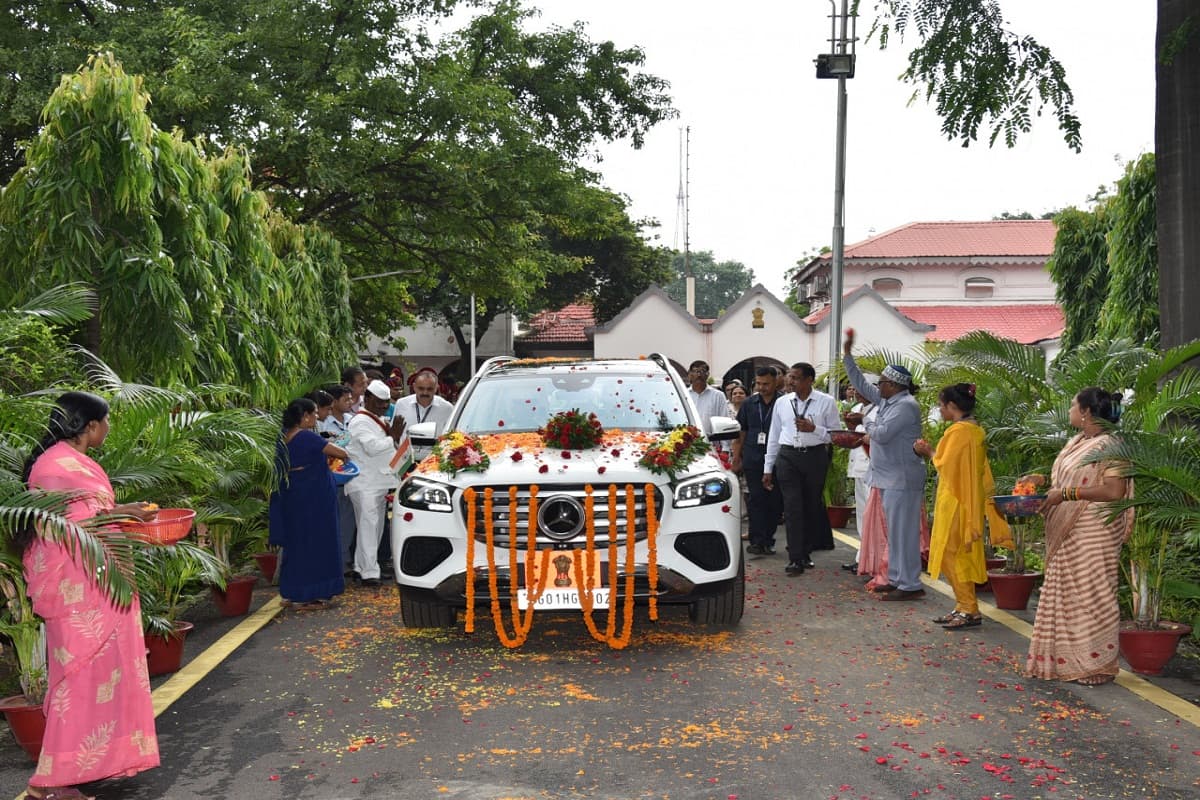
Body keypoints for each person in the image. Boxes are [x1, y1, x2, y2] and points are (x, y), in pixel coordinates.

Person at [19, 392, 160, 800]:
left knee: (103, 679)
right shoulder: (55, 467)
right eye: (107, 420)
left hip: (100, 584)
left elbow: (91, 518)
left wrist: (124, 513)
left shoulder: (68, 460)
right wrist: (127, 511)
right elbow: (75, 527)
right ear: (90, 426)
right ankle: (47, 783)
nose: (110, 427)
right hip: (77, 592)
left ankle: (87, 768)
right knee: (77, 686)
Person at [1023, 387, 1132, 686]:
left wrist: (1066, 494)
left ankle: (1095, 665)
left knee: (1090, 595)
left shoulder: (1112, 444)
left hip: (1094, 530)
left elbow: (1114, 491)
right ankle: (1067, 663)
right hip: (1070, 529)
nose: (1069, 408)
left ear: (1085, 412)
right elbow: (1066, 478)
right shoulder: (1077, 442)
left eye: (1072, 404)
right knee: (1069, 597)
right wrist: (1040, 480)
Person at [913, 383, 1011, 628]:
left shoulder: (958, 432)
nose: (940, 409)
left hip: (956, 501)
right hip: (969, 499)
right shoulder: (976, 430)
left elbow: (946, 464)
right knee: (960, 554)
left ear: (952, 406)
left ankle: (968, 608)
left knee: (952, 553)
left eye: (941, 405)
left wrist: (927, 450)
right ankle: (963, 606)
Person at [843, 331, 927, 600]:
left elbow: (880, 434)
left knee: (903, 533)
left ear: (894, 385)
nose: (877, 387)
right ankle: (897, 578)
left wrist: (863, 419)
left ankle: (910, 583)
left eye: (882, 383)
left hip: (902, 479)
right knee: (896, 533)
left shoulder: (906, 406)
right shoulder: (889, 401)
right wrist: (847, 355)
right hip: (889, 478)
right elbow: (861, 385)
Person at [269, 397, 348, 608]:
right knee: (316, 543)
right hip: (313, 498)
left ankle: (291, 592)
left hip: (292, 496)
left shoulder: (282, 436)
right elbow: (340, 453)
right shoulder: (307, 437)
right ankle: (309, 595)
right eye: (313, 413)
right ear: (304, 417)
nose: (315, 417)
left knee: (296, 544)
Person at [763, 362, 840, 575]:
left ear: (809, 380)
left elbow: (835, 435)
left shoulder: (826, 402)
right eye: (789, 376)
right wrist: (768, 468)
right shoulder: (782, 402)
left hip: (814, 457)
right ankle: (795, 557)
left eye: (795, 377)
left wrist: (814, 429)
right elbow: (774, 436)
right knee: (792, 507)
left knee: (810, 506)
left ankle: (805, 552)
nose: (789, 381)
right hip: (788, 456)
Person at [344, 379, 406, 586]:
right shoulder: (361, 421)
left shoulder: (375, 419)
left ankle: (364, 568)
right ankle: (369, 572)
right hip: (365, 484)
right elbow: (372, 447)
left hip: (377, 482)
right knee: (369, 528)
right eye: (379, 402)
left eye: (386, 403)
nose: (383, 407)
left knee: (374, 528)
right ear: (367, 398)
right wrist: (392, 437)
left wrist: (393, 438)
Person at [733, 368, 784, 555]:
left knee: (774, 501)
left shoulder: (784, 403)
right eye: (758, 384)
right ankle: (756, 540)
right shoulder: (749, 404)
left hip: (778, 459)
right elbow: (741, 433)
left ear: (776, 382)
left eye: (766, 384)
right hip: (753, 459)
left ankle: (767, 539)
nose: (762, 388)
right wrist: (736, 458)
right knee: (756, 499)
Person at [841, 384, 876, 572]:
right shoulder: (856, 409)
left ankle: (873, 561)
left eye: (860, 389)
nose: (856, 393)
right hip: (858, 466)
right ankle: (861, 557)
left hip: (872, 467)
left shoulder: (880, 409)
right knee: (862, 516)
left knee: (873, 516)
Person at [393, 369, 455, 463]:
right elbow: (394, 433)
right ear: (414, 387)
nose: (425, 393)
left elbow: (451, 438)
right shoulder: (401, 404)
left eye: (429, 389)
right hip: (404, 462)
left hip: (434, 463)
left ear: (436, 388)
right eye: (421, 388)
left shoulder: (447, 408)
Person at [685, 360, 730, 436]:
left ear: (707, 374)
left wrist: (725, 446)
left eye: (702, 371)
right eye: (696, 371)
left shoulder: (718, 396)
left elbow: (724, 420)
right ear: (690, 374)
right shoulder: (684, 395)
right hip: (687, 443)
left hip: (712, 442)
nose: (699, 375)